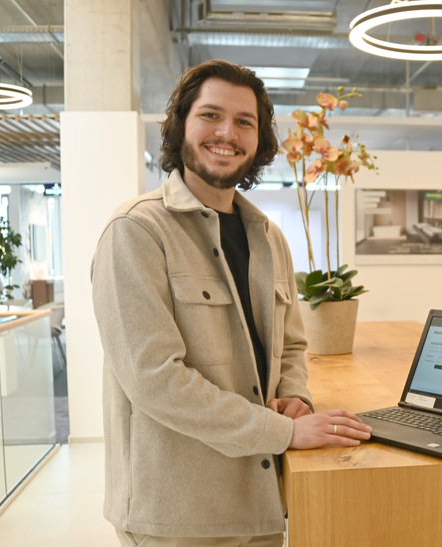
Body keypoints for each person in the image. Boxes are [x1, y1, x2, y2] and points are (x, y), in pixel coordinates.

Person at [91, 59, 372, 547]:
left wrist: (296, 398)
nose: (228, 133)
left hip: (262, 503)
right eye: (211, 116)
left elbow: (291, 346)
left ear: (259, 141)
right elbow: (155, 380)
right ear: (181, 124)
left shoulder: (269, 237)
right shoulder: (136, 232)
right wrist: (282, 433)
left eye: (245, 122)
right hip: (179, 514)